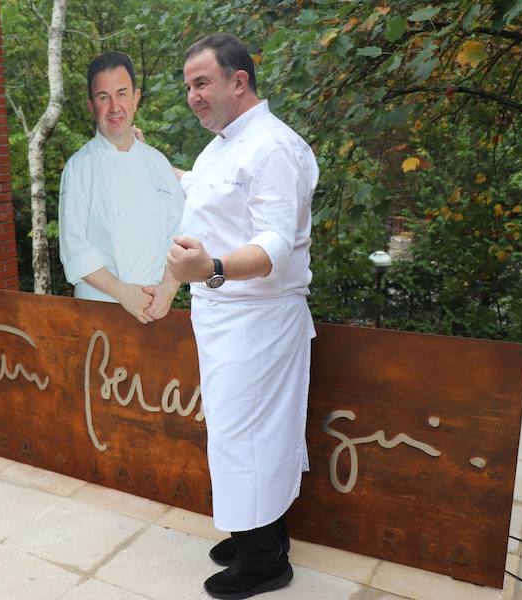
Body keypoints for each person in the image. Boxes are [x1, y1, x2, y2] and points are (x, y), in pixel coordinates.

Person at [166, 34, 318, 599]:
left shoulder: (273, 148)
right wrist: (157, 168)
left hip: (257, 319)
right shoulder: (223, 145)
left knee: (250, 438)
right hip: (224, 315)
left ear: (239, 80)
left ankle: (264, 563)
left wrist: (213, 267)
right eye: (188, 86)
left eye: (201, 82)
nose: (192, 96)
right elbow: (208, 195)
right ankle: (256, 532)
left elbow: (276, 243)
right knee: (238, 435)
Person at [59, 52, 184, 324]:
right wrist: (123, 293)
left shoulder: (158, 164)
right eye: (104, 97)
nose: (115, 106)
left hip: (156, 309)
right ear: (92, 106)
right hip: (100, 310)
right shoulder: (79, 167)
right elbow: (74, 247)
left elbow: (179, 235)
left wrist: (169, 289)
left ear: (136, 98)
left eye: (122, 94)